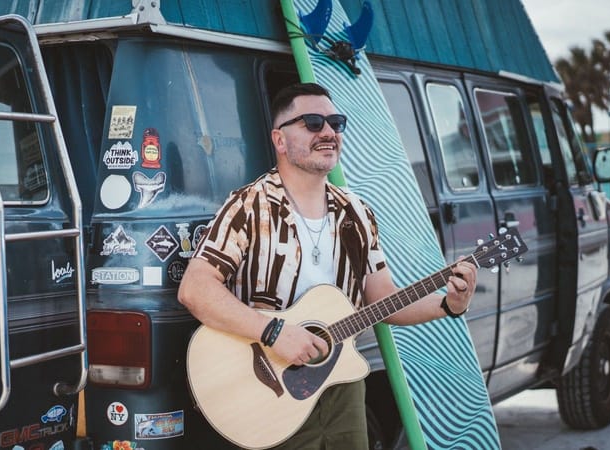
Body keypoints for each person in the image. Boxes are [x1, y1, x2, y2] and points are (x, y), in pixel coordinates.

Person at [177, 82, 476, 449]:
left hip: (341, 387)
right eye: (314, 122)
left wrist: (447, 305)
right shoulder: (248, 207)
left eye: (336, 123)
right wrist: (273, 332)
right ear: (280, 140)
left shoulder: (357, 213)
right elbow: (195, 289)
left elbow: (384, 300)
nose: (329, 132)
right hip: (265, 395)